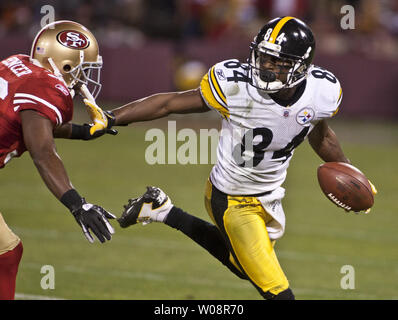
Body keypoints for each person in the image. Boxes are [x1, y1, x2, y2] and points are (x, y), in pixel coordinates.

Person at [104, 16, 376, 299]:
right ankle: (161, 210)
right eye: (264, 57)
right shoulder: (236, 86)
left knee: (243, 266)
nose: (266, 67)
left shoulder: (322, 93)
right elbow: (169, 103)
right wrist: (113, 117)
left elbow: (321, 135)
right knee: (279, 293)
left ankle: (161, 209)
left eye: (278, 62)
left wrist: (350, 173)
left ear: (301, 67)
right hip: (232, 199)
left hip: (271, 195)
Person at [0, 20, 116, 300]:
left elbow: (31, 122)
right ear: (63, 64)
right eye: (81, 68)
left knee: (7, 251)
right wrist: (78, 204)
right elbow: (42, 151)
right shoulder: (46, 88)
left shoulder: (18, 64)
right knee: (7, 252)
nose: (83, 76)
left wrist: (82, 132)